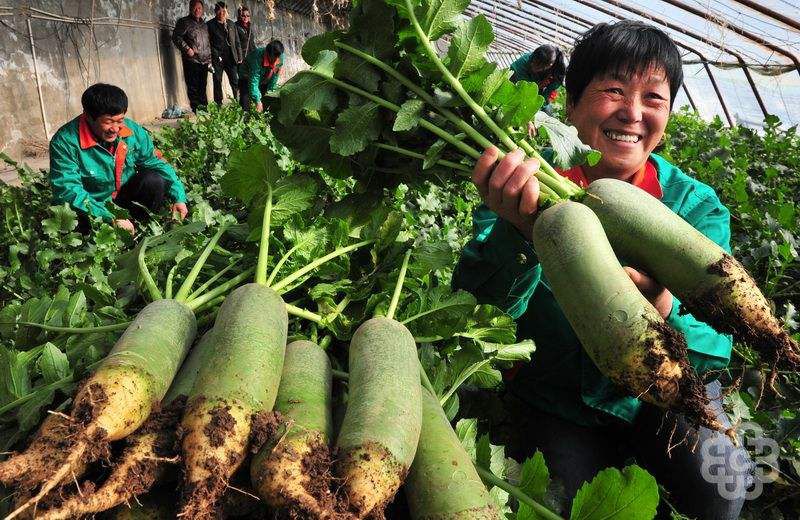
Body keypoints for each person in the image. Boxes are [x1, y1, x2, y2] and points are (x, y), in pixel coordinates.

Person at [453, 21, 753, 520]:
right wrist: (521, 237)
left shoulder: (693, 205)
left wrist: (662, 303)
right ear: (569, 105)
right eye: (613, 90)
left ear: (669, 115)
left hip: (671, 392)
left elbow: (716, 344)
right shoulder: (522, 186)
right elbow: (480, 314)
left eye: (653, 98)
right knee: (560, 506)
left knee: (723, 491)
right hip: (561, 397)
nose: (632, 113)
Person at [49, 84, 189, 235]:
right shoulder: (65, 141)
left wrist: (179, 197)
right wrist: (109, 216)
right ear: (88, 116)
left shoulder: (132, 131)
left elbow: (156, 163)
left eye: (120, 120)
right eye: (108, 122)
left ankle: (137, 229)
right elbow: (67, 189)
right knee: (77, 224)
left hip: (121, 197)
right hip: (90, 206)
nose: (115, 128)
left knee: (154, 180)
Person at [172, 0, 212, 112]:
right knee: (193, 87)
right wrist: (187, 48)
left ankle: (205, 111)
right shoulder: (184, 22)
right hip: (192, 61)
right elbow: (176, 37)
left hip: (204, 61)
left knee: (202, 87)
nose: (197, 10)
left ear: (202, 9)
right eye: (195, 7)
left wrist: (209, 60)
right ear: (190, 8)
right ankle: (197, 111)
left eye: (199, 8)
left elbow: (207, 43)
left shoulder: (204, 25)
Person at [207, 1, 243, 105]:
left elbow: (237, 41)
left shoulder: (231, 24)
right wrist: (214, 54)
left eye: (223, 10)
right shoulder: (210, 25)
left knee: (235, 81)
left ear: (226, 11)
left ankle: (238, 102)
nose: (221, 13)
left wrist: (239, 56)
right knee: (217, 81)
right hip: (217, 58)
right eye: (219, 10)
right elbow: (208, 43)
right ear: (215, 11)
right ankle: (218, 104)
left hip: (231, 58)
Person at [245, 40, 284, 112]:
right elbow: (254, 80)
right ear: (267, 54)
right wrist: (257, 101)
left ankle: (262, 114)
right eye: (274, 58)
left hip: (264, 77)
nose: (276, 60)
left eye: (277, 58)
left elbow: (275, 76)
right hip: (246, 75)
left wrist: (271, 91)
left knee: (264, 96)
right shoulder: (256, 58)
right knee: (245, 99)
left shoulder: (280, 56)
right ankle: (246, 117)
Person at [235, 5, 256, 110]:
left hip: (251, 59)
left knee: (250, 83)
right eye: (243, 16)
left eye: (248, 16)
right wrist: (239, 58)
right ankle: (245, 109)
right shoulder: (235, 27)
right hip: (242, 60)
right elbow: (235, 45)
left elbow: (252, 43)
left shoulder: (250, 27)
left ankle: (246, 106)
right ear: (239, 16)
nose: (246, 18)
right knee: (243, 84)